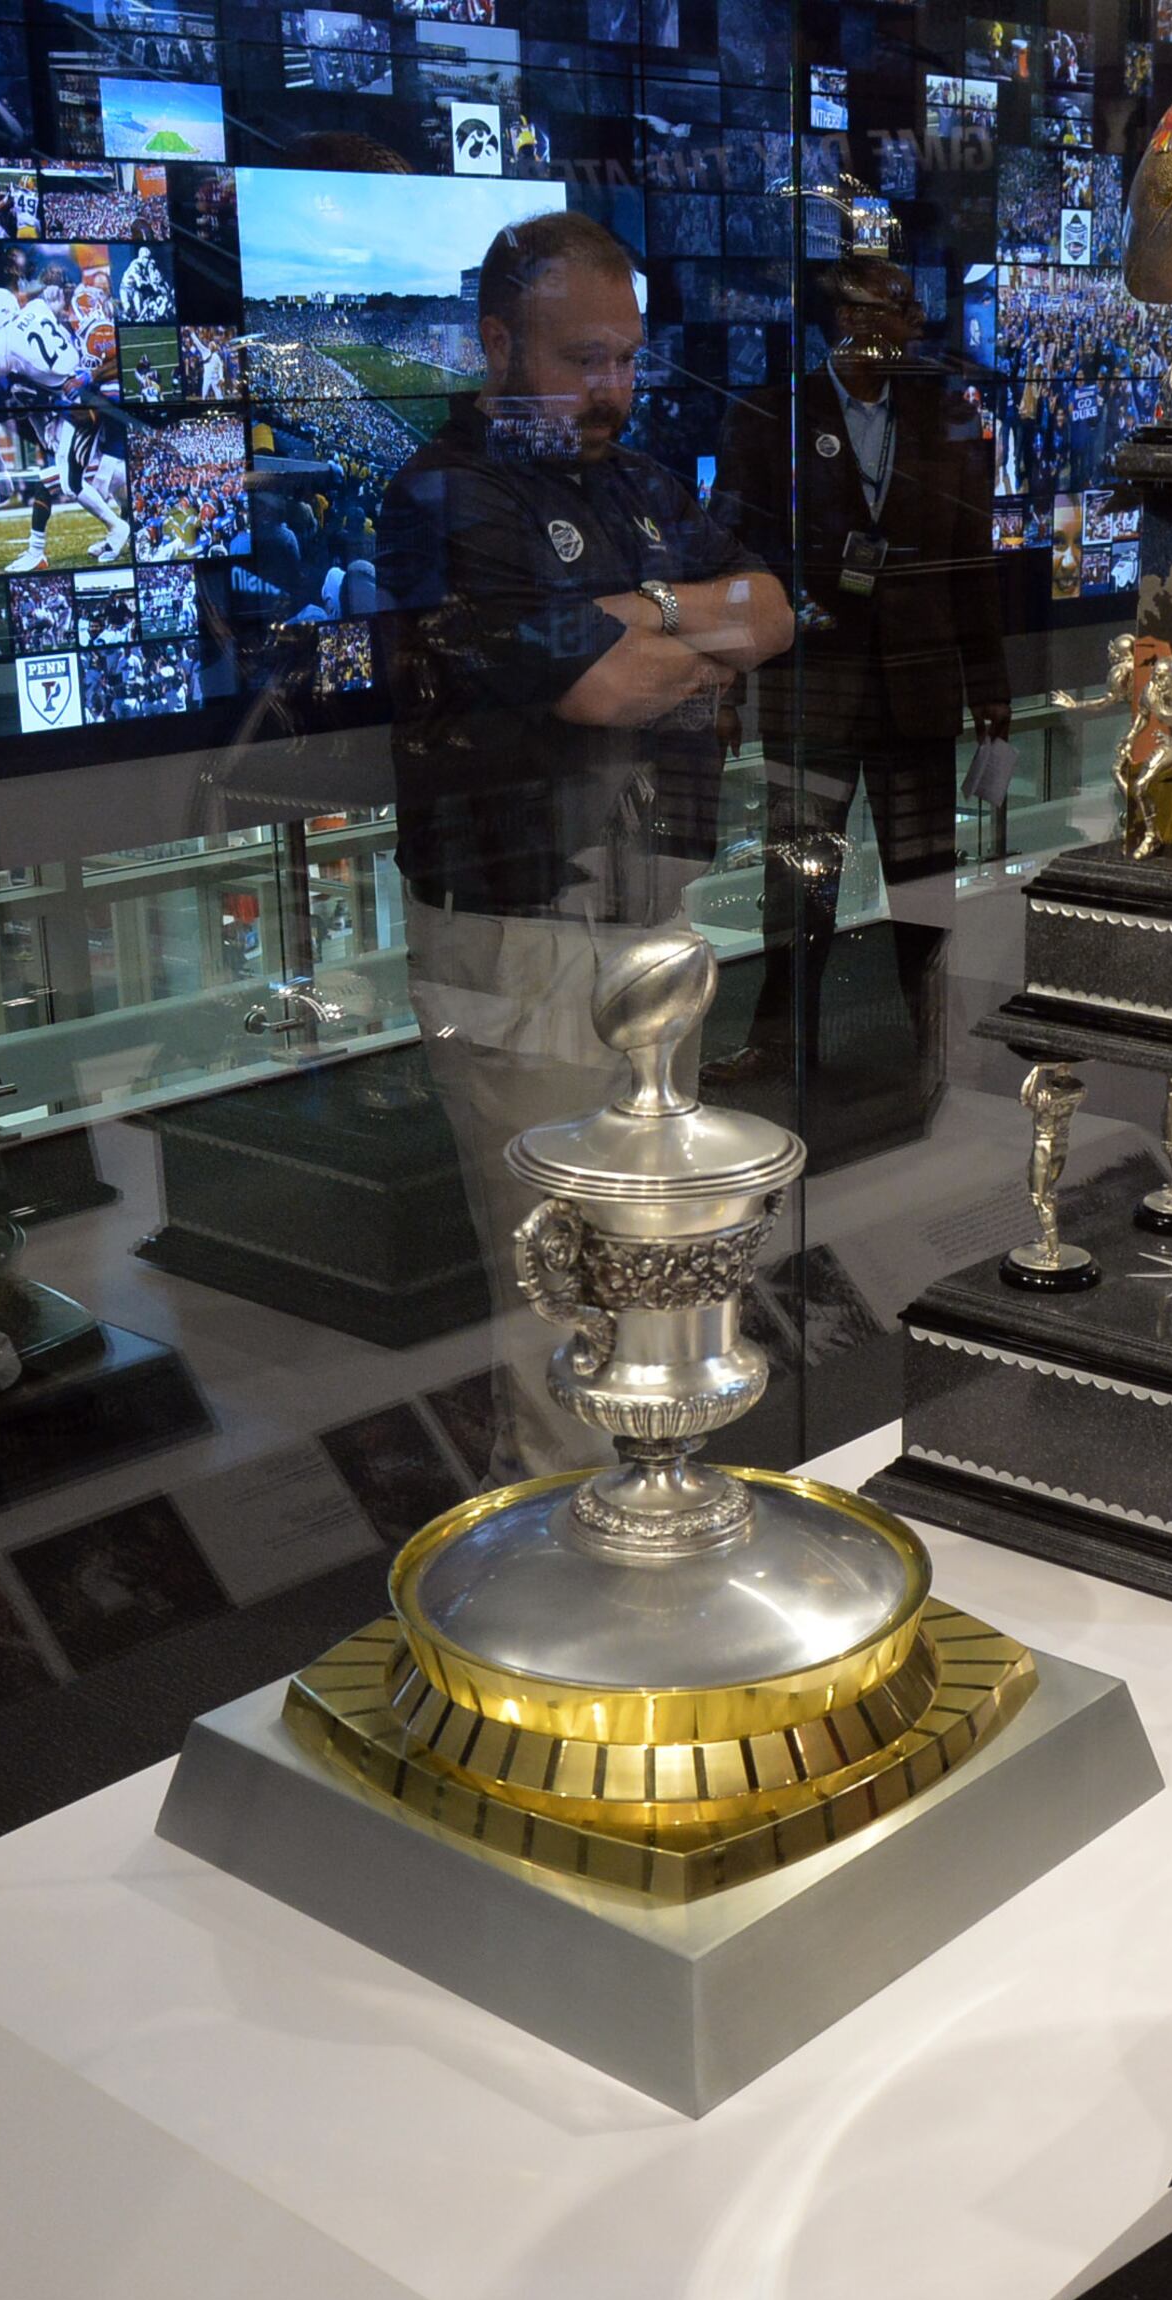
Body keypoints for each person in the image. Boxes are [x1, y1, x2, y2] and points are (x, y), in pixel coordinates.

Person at [377, 210, 792, 1480]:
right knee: (560, 1284)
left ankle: (648, 1511)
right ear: (498, 343)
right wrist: (688, 643)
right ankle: (562, 1542)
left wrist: (645, 610)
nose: (612, 388)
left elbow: (772, 613)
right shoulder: (446, 494)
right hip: (522, 927)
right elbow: (606, 689)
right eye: (582, 359)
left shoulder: (642, 482)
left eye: (627, 357)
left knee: (657, 1259)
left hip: (650, 907)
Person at [717, 252, 1007, 890]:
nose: (919, 321)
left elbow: (972, 564)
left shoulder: (948, 419)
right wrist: (724, 692)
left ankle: (926, 966)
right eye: (902, 308)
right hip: (812, 691)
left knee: (925, 890)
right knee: (799, 892)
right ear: (849, 320)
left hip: (919, 693)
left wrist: (989, 685)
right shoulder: (770, 419)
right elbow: (735, 560)